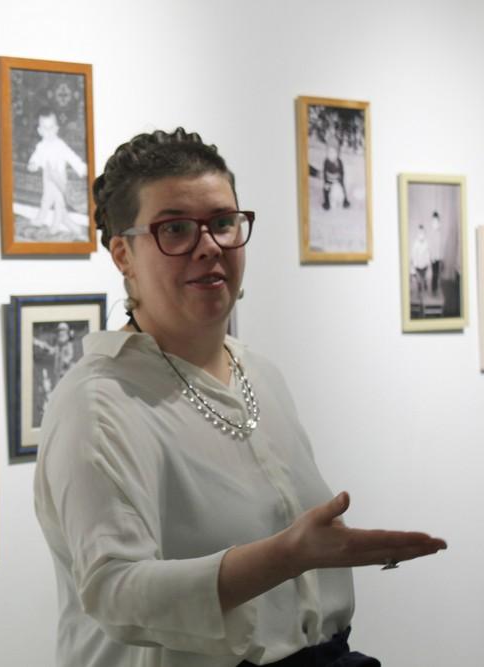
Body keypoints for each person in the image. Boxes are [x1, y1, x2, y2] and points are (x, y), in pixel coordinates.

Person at [34, 128, 447, 667]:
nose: (209, 245)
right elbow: (115, 592)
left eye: (224, 223)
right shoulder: (98, 405)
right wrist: (288, 556)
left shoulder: (259, 373)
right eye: (175, 229)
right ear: (123, 255)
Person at [26, 108, 88, 237]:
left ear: (57, 128)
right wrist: (33, 164)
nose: (49, 131)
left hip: (60, 178)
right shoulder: (41, 146)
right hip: (47, 178)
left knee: (59, 202)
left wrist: (81, 168)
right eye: (45, 128)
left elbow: (71, 156)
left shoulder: (60, 145)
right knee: (46, 199)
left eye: (52, 127)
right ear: (40, 131)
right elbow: (36, 158)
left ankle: (56, 224)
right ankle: (40, 219)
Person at [321, 141, 350, 210]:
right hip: (329, 179)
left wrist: (340, 179)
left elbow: (342, 172)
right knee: (325, 189)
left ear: (337, 154)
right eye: (329, 152)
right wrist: (326, 181)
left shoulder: (339, 162)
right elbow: (324, 172)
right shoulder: (326, 161)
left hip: (337, 179)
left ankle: (345, 200)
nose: (331, 155)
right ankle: (326, 202)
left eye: (333, 153)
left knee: (342, 188)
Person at [428, 211, 444, 295]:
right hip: (433, 257)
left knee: (437, 273)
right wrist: (432, 257)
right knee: (434, 273)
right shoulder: (432, 232)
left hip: (438, 257)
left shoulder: (439, 232)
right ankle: (433, 289)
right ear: (432, 222)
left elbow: (440, 245)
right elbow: (431, 246)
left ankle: (436, 288)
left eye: (437, 221)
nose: (435, 223)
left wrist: (441, 257)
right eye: (434, 221)